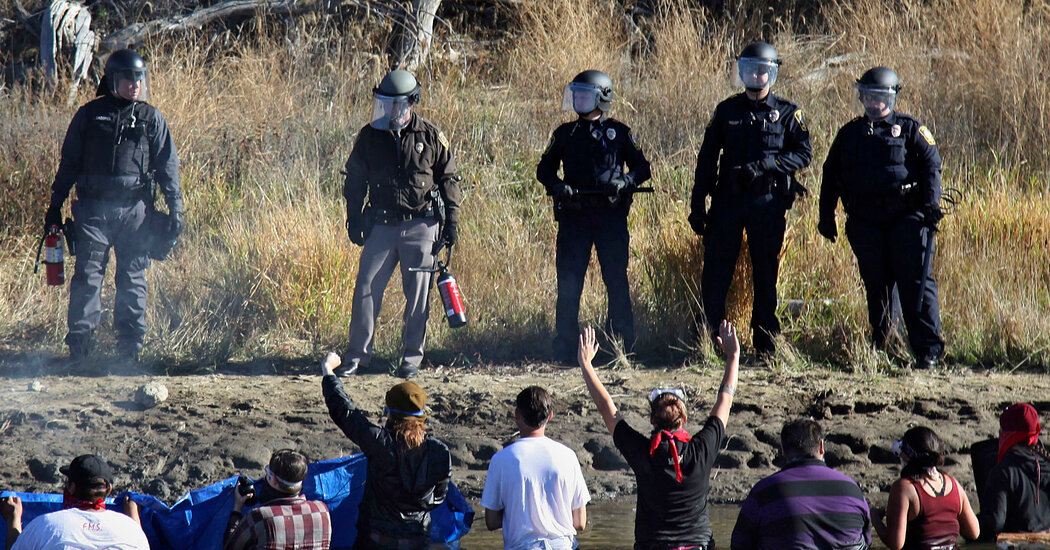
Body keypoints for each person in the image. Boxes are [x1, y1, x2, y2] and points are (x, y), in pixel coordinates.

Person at [44, 48, 183, 361]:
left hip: (136, 213)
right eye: (128, 78)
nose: (135, 85)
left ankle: (129, 350)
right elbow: (68, 164)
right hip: (93, 212)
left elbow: (168, 169)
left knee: (133, 277)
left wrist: (177, 211)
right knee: (88, 275)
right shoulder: (89, 116)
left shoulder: (152, 119)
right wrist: (55, 205)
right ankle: (80, 348)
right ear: (112, 80)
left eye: (139, 78)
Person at [689, 42, 812, 355]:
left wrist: (767, 165)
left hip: (767, 202)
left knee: (765, 271)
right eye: (749, 70)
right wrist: (697, 203)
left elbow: (803, 153)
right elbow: (706, 159)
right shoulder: (727, 110)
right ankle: (711, 336)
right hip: (727, 202)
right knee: (716, 270)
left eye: (762, 70)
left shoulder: (788, 112)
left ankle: (766, 341)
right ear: (741, 72)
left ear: (772, 72)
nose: (756, 76)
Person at [819, 66, 944, 369]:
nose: (875, 103)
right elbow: (830, 174)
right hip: (865, 222)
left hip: (906, 219)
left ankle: (927, 350)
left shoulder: (910, 129)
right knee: (876, 284)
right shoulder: (849, 134)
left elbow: (931, 165)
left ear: (892, 97)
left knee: (915, 283)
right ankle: (883, 343)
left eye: (881, 97)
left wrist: (931, 205)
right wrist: (826, 216)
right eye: (869, 97)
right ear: (861, 97)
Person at [342, 69, 462, 379]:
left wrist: (452, 223)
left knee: (418, 294)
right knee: (366, 287)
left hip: (422, 225)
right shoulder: (369, 136)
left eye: (397, 104)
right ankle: (357, 356)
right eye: (386, 103)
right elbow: (355, 180)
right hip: (381, 225)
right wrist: (354, 217)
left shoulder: (431, 136)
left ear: (411, 103)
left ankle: (411, 358)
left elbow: (449, 179)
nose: (391, 110)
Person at [577, 320, 739, 550]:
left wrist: (586, 365)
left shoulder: (644, 452)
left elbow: (607, 409)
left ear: (653, 420)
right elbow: (726, 399)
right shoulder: (702, 448)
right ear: (684, 419)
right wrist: (733, 356)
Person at [536, 69, 651, 363]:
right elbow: (544, 170)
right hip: (574, 219)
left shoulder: (620, 133)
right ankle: (566, 348)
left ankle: (622, 347)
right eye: (576, 94)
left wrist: (625, 182)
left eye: (584, 95)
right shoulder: (565, 134)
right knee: (569, 284)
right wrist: (559, 186)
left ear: (602, 98)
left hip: (610, 219)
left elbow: (643, 168)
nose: (578, 100)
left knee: (616, 281)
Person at [320, 352, 452, 549]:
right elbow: (438, 498)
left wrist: (328, 371)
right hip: (418, 542)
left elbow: (345, 412)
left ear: (390, 413)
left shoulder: (380, 444)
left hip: (375, 543)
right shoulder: (439, 452)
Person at [731, 419, 871, 550]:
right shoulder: (853, 490)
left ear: (783, 451)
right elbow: (866, 541)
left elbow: (739, 544)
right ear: (822, 447)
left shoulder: (764, 491)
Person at [481, 386, 589, 550]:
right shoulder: (568, 456)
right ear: (550, 416)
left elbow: (492, 522)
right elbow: (580, 523)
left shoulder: (501, 459)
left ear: (517, 414)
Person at [0, 454, 148, 550]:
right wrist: (134, 519)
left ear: (72, 487)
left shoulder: (46, 525)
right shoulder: (131, 529)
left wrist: (13, 518)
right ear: (109, 489)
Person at [871, 426, 979, 550]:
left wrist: (875, 518)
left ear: (906, 455)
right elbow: (974, 532)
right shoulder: (953, 484)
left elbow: (896, 544)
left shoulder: (904, 488)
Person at [223, 449, 332, 550]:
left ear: (274, 480)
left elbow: (230, 547)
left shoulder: (259, 516)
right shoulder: (322, 510)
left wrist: (237, 509)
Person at [978, 403, 1050, 538]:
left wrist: (970, 523)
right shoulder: (1047, 464)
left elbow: (994, 525)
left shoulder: (1002, 472)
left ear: (1007, 435)